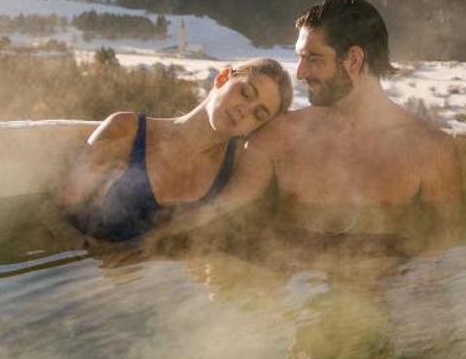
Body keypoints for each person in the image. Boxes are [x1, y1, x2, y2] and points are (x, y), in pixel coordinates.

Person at [202, 0, 460, 243]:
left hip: (384, 284)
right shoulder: (278, 137)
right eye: (300, 58)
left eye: (313, 59)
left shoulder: (430, 149)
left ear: (353, 60)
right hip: (293, 283)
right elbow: (218, 220)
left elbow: (442, 248)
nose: (301, 73)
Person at [59, 57, 292, 243]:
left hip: (148, 289)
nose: (245, 110)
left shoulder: (234, 171)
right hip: (85, 274)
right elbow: (62, 212)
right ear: (222, 78)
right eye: (246, 93)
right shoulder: (126, 130)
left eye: (258, 114)